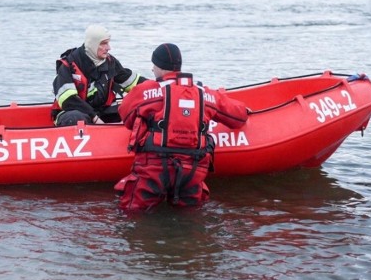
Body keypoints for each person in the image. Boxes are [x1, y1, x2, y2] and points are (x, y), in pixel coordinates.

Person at [115, 43, 249, 212]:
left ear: (159, 67)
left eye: (154, 66)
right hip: (192, 169)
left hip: (154, 167)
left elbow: (125, 115)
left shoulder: (147, 91)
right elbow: (238, 117)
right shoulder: (203, 93)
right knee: (190, 215)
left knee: (133, 213)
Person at [51, 25, 146, 126]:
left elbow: (132, 82)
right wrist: (94, 118)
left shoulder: (110, 62)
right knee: (75, 118)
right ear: (93, 44)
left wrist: (159, 86)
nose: (109, 48)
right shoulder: (68, 65)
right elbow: (68, 101)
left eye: (108, 43)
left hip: (101, 112)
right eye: (104, 44)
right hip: (72, 113)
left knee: (137, 108)